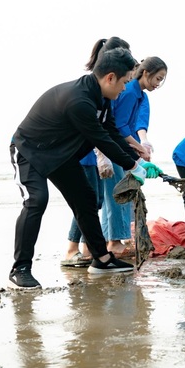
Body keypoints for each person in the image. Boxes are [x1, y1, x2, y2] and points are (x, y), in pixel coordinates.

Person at [9, 47, 161, 288]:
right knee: (36, 201)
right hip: (30, 151)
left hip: (61, 156)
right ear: (110, 77)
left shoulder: (103, 97)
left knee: (86, 199)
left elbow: (111, 131)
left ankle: (101, 259)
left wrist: (138, 161)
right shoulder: (79, 100)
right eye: (123, 82)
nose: (124, 88)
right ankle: (20, 269)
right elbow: (100, 138)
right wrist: (133, 166)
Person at [61, 37, 130, 267]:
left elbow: (107, 127)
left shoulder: (105, 91)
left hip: (93, 149)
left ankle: (85, 249)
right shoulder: (90, 89)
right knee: (86, 201)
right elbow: (97, 129)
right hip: (85, 154)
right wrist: (104, 156)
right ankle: (73, 249)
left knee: (94, 200)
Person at [98, 56, 167, 257]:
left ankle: (112, 241)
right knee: (119, 194)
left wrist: (140, 148)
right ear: (145, 73)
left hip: (119, 145)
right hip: (112, 146)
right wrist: (139, 148)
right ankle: (115, 242)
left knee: (116, 193)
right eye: (158, 78)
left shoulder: (140, 96)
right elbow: (119, 125)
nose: (158, 84)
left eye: (162, 80)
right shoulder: (129, 92)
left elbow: (133, 125)